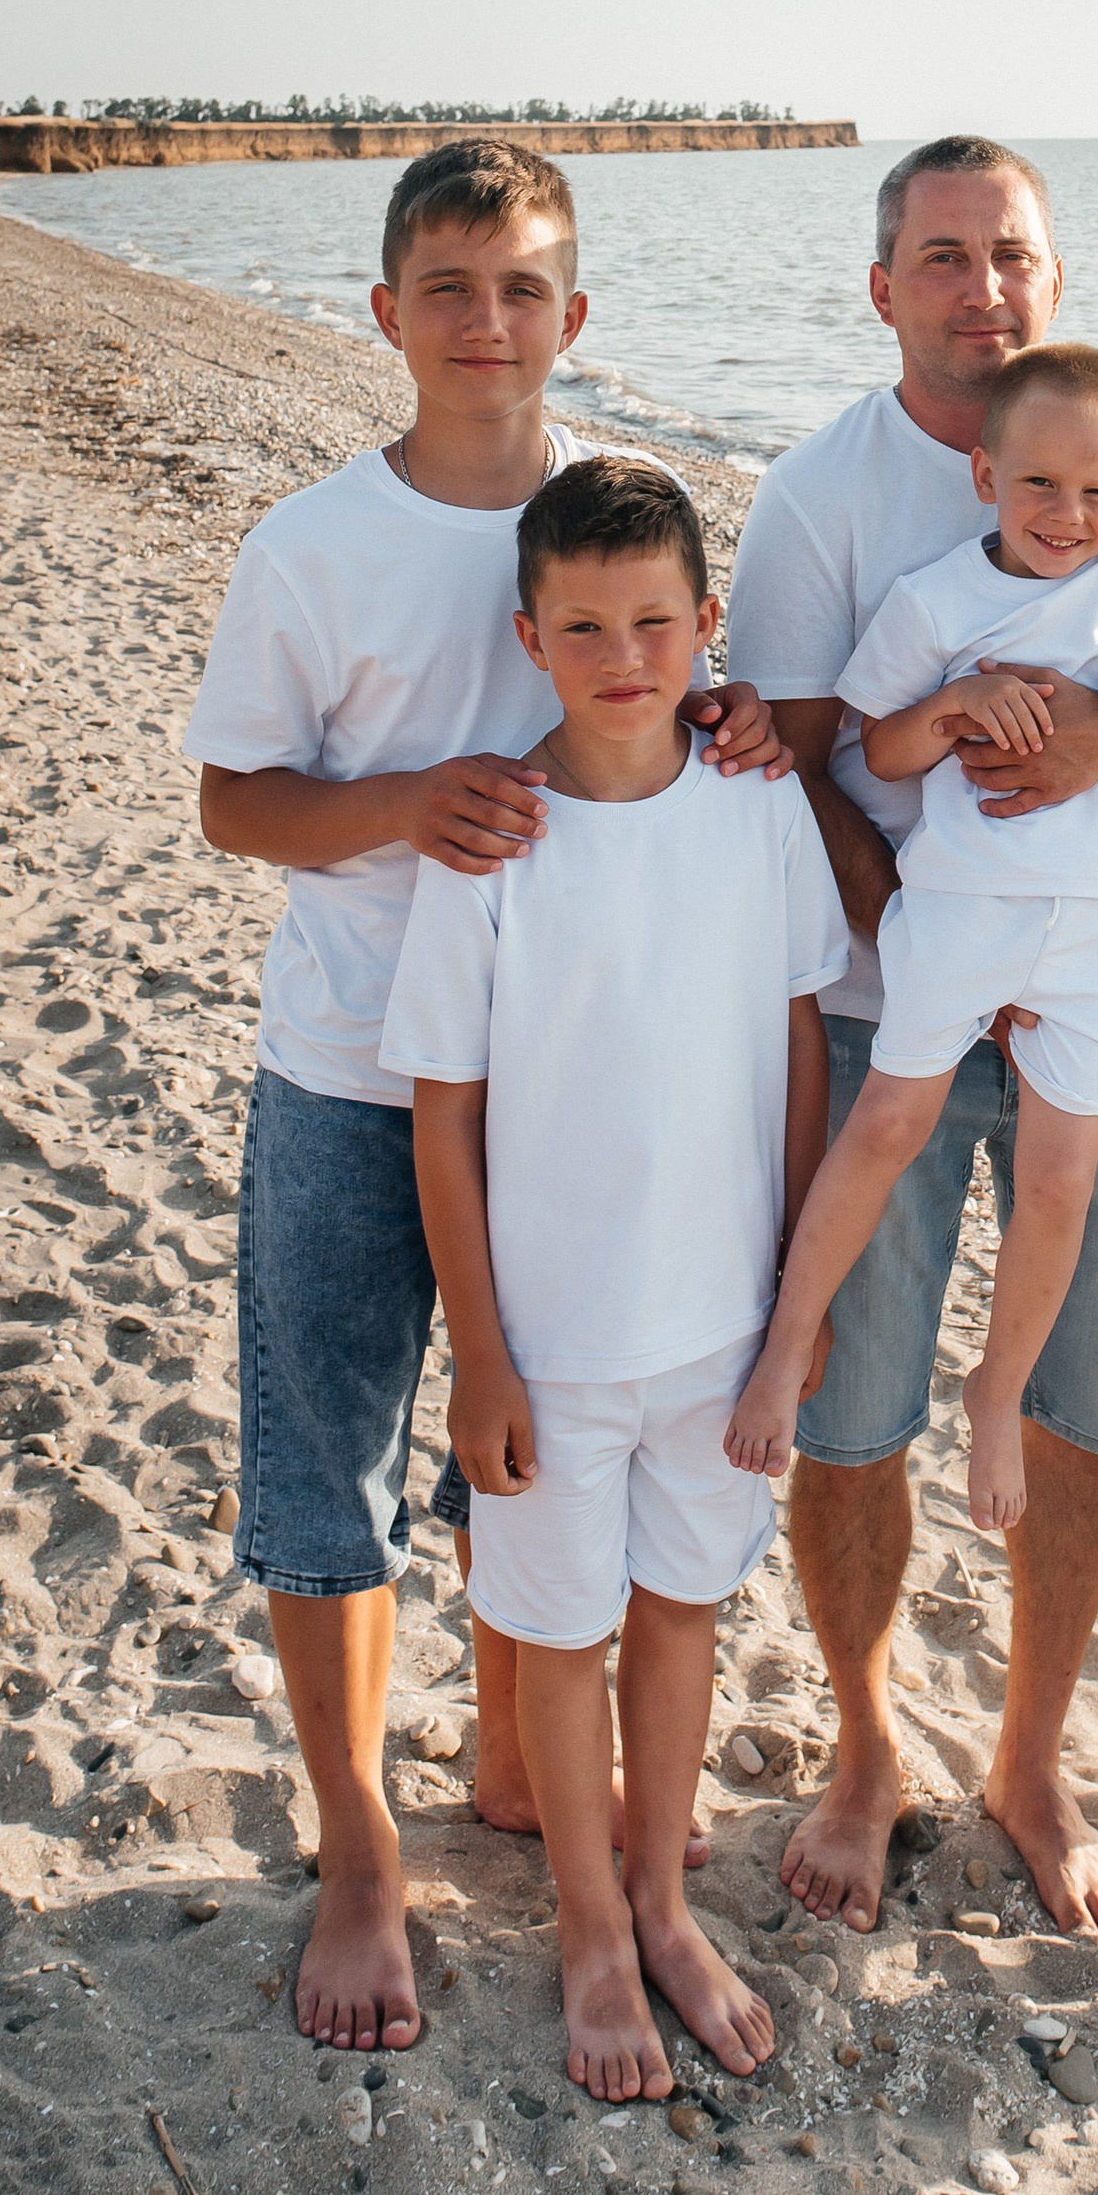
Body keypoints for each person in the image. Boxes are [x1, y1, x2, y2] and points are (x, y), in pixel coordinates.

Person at [184, 139, 785, 2052]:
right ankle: (362, 1846)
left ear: (577, 318)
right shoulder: (314, 545)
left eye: (523, 287)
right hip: (362, 1064)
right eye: (448, 287)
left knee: (519, 1447)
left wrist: (750, 718)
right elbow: (232, 798)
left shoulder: (630, 526)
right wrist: (402, 803)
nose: (487, 322)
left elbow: (682, 710)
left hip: (590, 1084)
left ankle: (518, 1769)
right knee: (333, 1460)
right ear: (386, 314)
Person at [725, 135, 1098, 1939]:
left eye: (1014, 254)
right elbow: (800, 754)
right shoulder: (822, 498)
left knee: (1088, 1404)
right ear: (884, 286)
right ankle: (865, 1745)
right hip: (897, 989)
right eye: (946, 255)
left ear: (1054, 275)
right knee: (854, 1409)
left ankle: (1031, 1756)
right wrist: (920, 932)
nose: (984, 286)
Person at [381, 455, 846, 2101]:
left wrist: (796, 1301)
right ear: (531, 636)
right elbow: (446, 1122)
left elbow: (800, 1045)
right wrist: (484, 1361)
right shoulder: (492, 839)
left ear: (707, 630)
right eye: (585, 626)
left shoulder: (756, 802)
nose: (625, 655)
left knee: (684, 1609)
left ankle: (659, 1894)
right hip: (557, 1339)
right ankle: (588, 1927)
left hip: (722, 1322)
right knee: (558, 1630)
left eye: (656, 622)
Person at [726, 345, 1098, 1533]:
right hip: (958, 912)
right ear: (985, 474)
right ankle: (790, 1340)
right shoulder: (936, 600)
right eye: (1040, 485)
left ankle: (997, 1394)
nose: (1070, 515)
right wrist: (946, 710)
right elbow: (867, 749)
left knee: (1060, 1181)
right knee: (887, 1124)